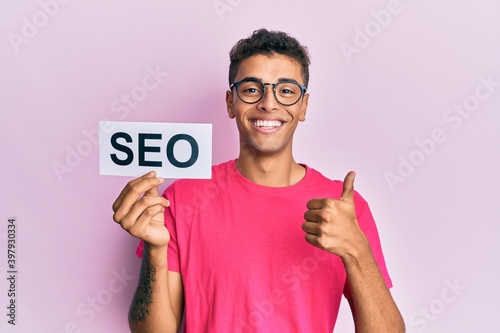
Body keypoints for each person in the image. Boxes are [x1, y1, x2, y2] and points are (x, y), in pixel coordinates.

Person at [112, 28, 405, 332]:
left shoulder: (345, 208)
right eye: (252, 89)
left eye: (287, 90)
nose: (269, 103)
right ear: (230, 102)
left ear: (303, 107)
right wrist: (155, 250)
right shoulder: (183, 198)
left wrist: (357, 251)